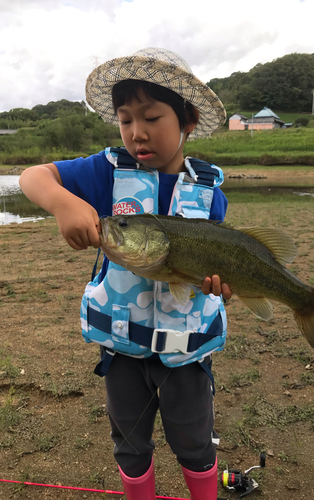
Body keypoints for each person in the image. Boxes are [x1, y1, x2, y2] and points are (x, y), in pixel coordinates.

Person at [20, 47, 232, 500]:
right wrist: (64, 203)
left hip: (187, 354)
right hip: (121, 351)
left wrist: (222, 287)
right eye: (125, 119)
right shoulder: (104, 173)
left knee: (195, 446)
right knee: (130, 447)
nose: (137, 132)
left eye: (152, 117)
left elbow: (220, 269)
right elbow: (32, 176)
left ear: (188, 120)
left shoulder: (210, 194)